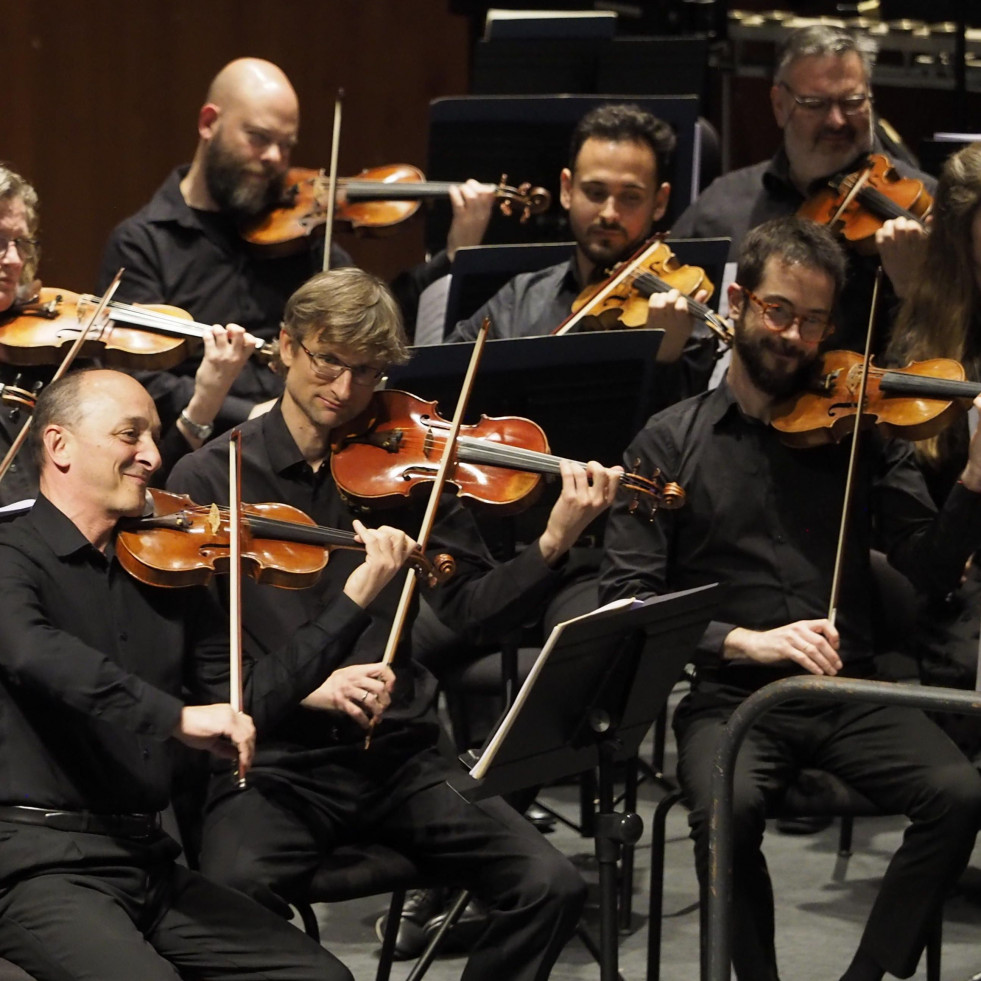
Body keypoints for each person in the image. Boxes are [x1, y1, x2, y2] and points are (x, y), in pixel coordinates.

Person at [167, 266, 623, 980]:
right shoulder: (209, 478)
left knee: (549, 883)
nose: (346, 391)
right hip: (277, 764)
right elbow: (196, 668)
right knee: (229, 891)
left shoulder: (410, 470)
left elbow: (471, 611)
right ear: (285, 346)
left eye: (367, 370)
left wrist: (552, 543)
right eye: (329, 361)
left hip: (400, 757)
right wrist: (311, 688)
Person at [599, 215, 981, 981]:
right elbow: (626, 597)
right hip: (730, 699)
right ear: (737, 301)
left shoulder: (860, 433)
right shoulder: (668, 442)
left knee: (958, 793)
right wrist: (744, 641)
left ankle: (864, 976)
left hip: (849, 690)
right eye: (778, 311)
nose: (794, 338)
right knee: (724, 810)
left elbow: (931, 569)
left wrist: (972, 483)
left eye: (812, 321)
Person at [0, 366, 392, 981]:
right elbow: (34, 652)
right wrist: (174, 717)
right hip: (38, 864)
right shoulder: (9, 558)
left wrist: (352, 604)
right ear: (58, 446)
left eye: (153, 436)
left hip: (147, 859)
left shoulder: (169, 569)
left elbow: (244, 699)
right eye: (130, 435)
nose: (153, 456)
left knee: (321, 977)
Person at [99, 57, 495, 429]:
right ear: (208, 123)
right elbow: (138, 379)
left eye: (286, 144)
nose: (275, 158)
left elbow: (372, 318)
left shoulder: (299, 239)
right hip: (199, 453)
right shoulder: (143, 243)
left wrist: (453, 256)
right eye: (258, 138)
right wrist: (250, 413)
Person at [0, 163, 256, 505]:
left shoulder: (56, 353)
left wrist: (205, 402)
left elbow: (140, 483)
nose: (14, 259)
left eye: (21, 243)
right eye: (0, 242)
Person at [671, 24, 933, 354]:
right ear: (779, 105)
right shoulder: (722, 208)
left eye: (853, 101)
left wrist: (916, 289)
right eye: (815, 103)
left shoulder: (925, 203)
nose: (837, 120)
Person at [447, 102, 719, 405]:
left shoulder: (684, 322)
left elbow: (678, 442)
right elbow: (441, 384)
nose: (609, 213)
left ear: (659, 201)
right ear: (567, 190)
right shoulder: (519, 299)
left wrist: (665, 359)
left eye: (630, 197)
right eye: (595, 192)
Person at [885, 142, 981, 751]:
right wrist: (974, 483)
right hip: (961, 608)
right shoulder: (920, 367)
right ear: (959, 246)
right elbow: (924, 570)